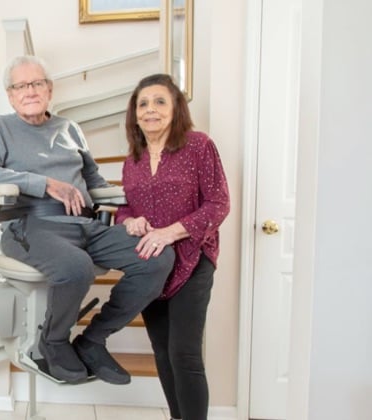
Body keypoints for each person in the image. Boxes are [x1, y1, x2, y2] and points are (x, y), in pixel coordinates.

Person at [0, 56, 175, 385]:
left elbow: (95, 183)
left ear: (49, 90)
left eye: (37, 83)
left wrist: (131, 214)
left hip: (85, 225)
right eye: (21, 86)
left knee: (157, 257)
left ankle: (92, 339)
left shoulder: (70, 129)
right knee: (76, 267)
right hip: (31, 226)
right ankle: (53, 341)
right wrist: (44, 183)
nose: (30, 91)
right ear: (10, 95)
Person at [116, 74, 230, 420]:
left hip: (193, 259)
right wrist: (128, 221)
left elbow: (218, 203)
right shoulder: (131, 160)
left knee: (185, 354)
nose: (151, 110)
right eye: (143, 104)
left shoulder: (198, 145)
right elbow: (126, 208)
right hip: (151, 266)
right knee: (163, 352)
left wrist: (170, 232)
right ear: (135, 114)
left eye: (160, 102)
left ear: (176, 108)